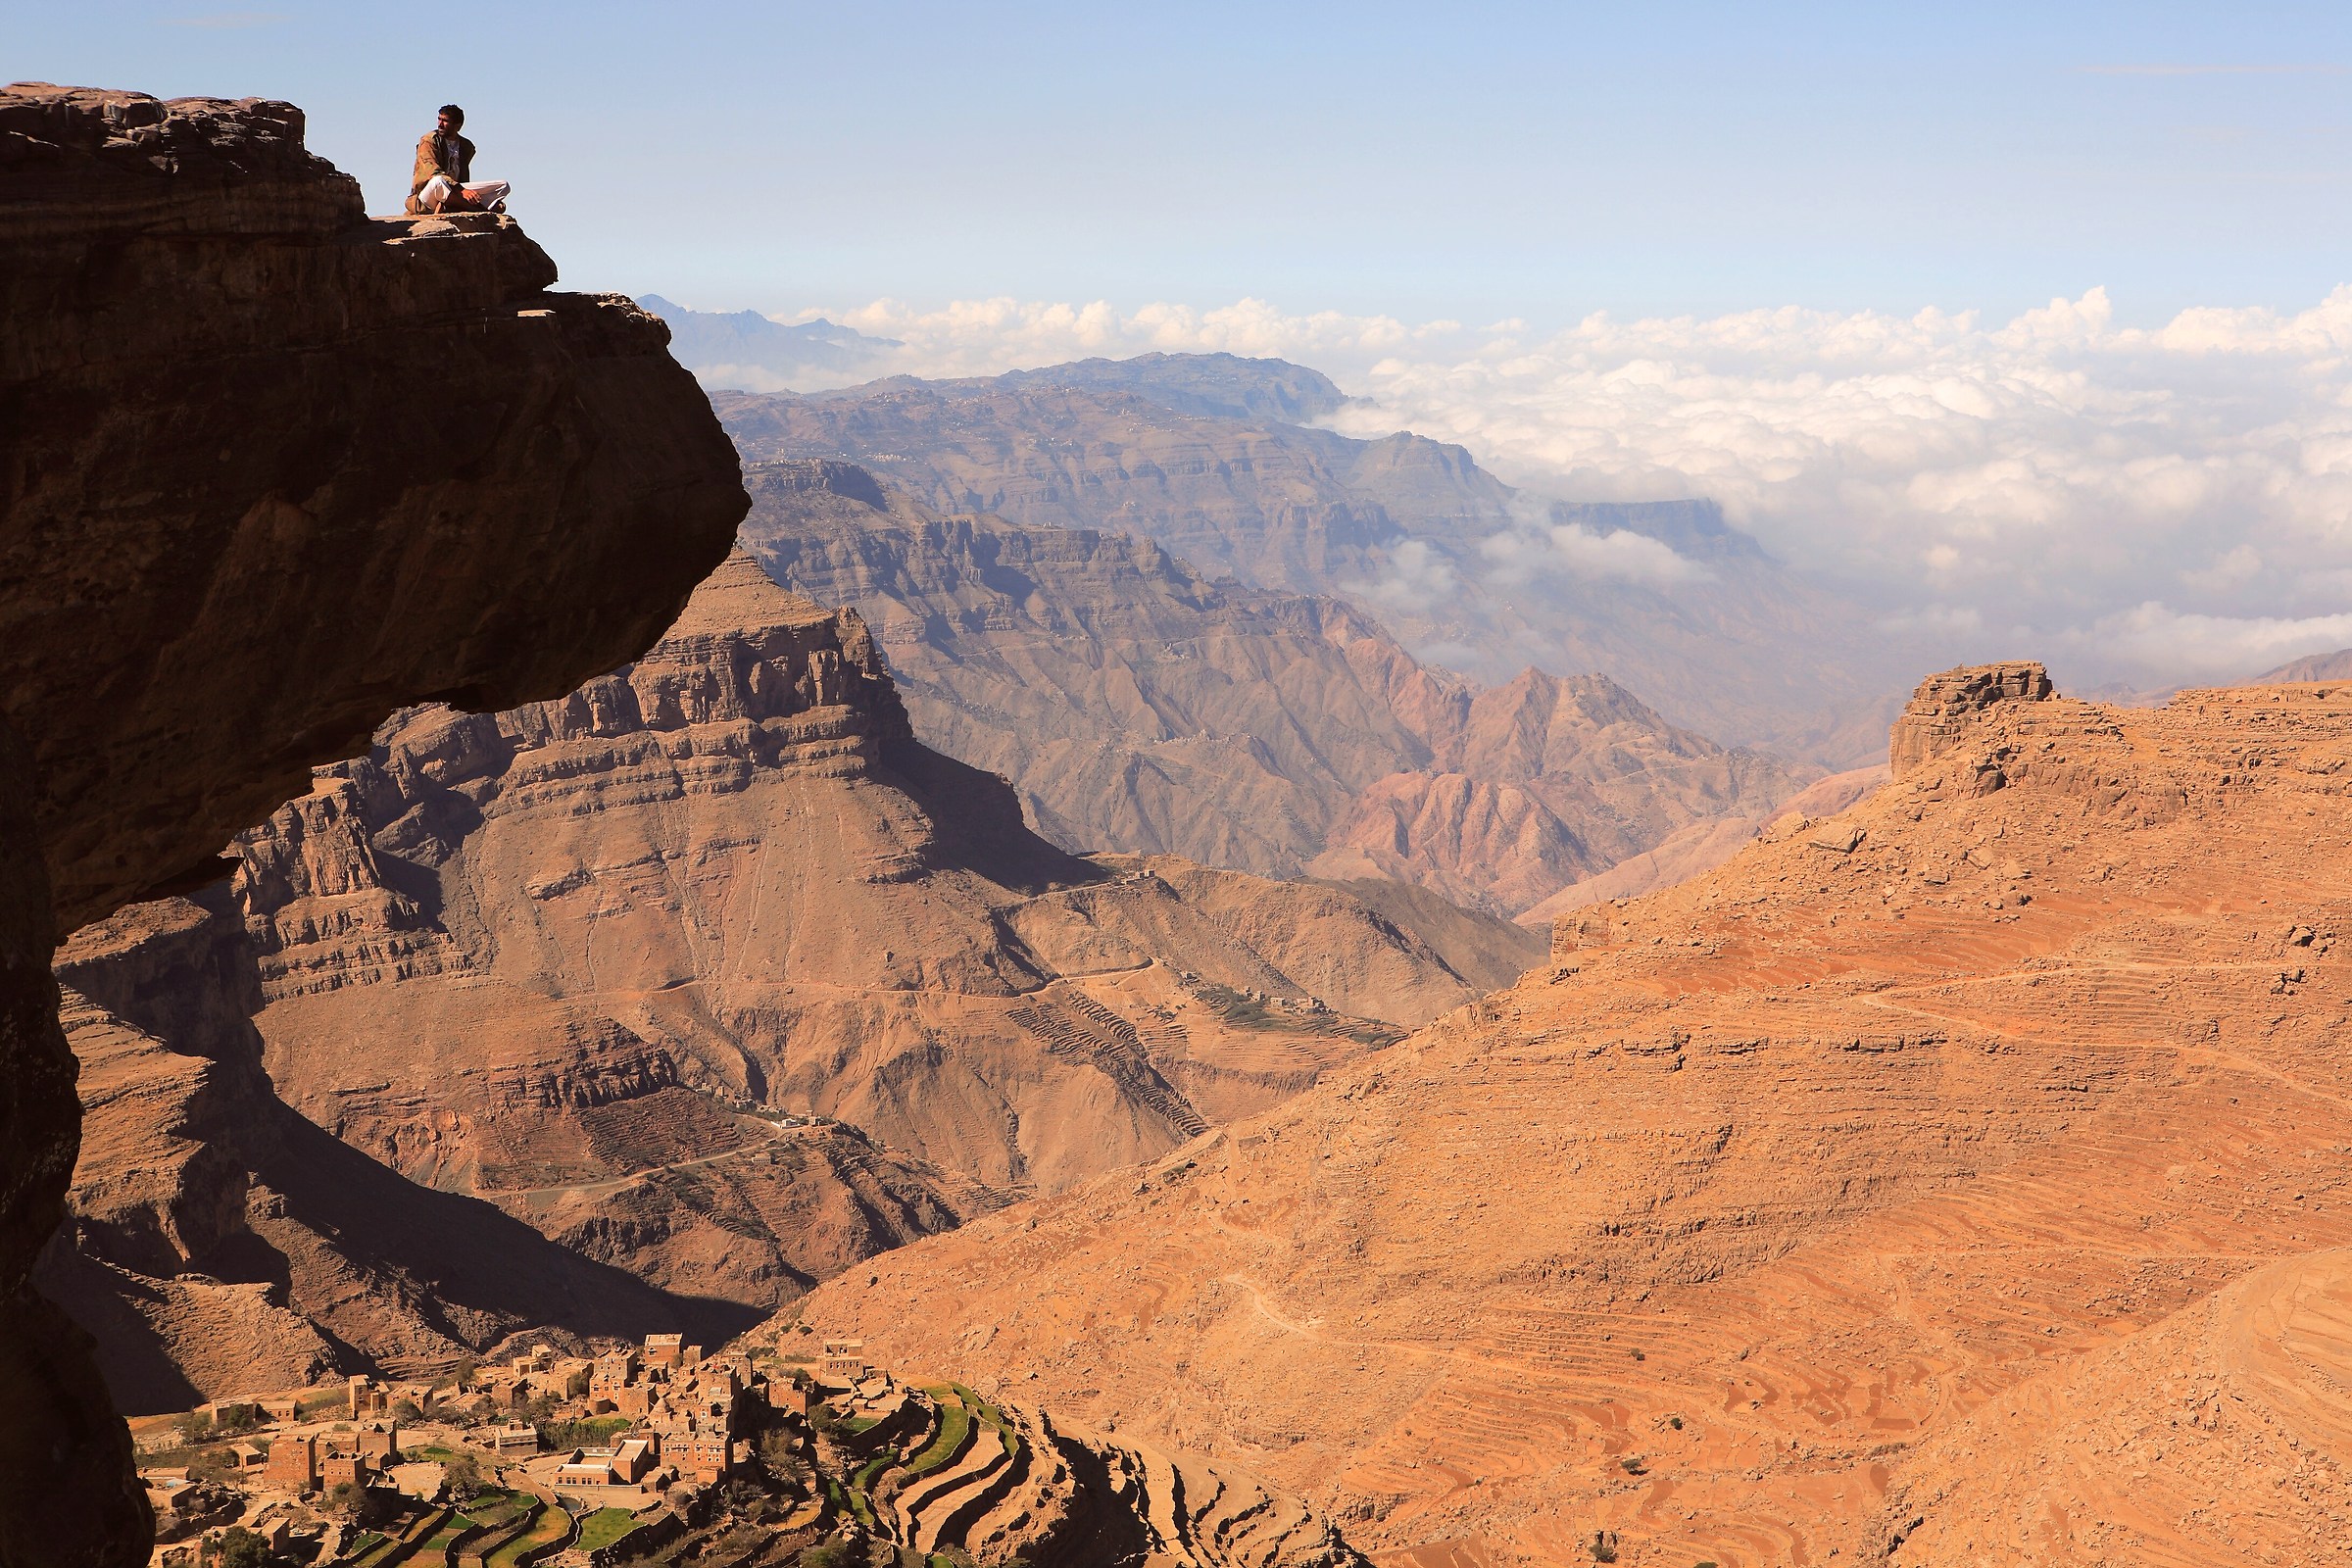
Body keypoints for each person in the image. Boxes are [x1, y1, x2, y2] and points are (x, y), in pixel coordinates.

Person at [408, 103, 511, 215]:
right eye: (439, 119)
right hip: (429, 196)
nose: (440, 124)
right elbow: (433, 172)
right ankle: (479, 210)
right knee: (438, 181)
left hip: (456, 191)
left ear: (457, 125)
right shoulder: (429, 141)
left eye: (445, 121)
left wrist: (464, 191)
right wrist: (462, 191)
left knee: (503, 186)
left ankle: (451, 205)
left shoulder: (466, 146)